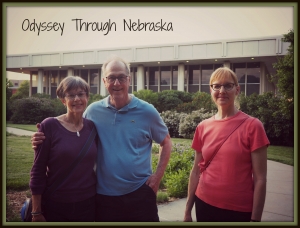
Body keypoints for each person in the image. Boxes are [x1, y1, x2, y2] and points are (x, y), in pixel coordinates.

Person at [31, 56, 172, 222]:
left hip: (139, 193)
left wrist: (157, 178)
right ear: (105, 81)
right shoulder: (93, 111)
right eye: (111, 78)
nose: (116, 83)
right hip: (104, 197)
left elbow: (166, 142)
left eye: (121, 77)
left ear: (129, 79)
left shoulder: (147, 111)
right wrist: (42, 136)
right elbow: (72, 124)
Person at [183, 67, 269, 222]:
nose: (221, 90)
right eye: (216, 86)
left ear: (237, 90)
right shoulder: (203, 126)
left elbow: (260, 178)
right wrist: (187, 210)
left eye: (228, 86)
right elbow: (196, 171)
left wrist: (255, 219)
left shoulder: (253, 126)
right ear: (211, 90)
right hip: (204, 204)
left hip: (238, 210)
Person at [29, 76, 97, 222]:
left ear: (87, 97)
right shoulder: (50, 126)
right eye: (71, 95)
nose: (77, 99)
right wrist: (36, 211)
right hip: (56, 204)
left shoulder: (92, 127)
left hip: (88, 203)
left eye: (81, 94)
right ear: (62, 100)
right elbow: (38, 170)